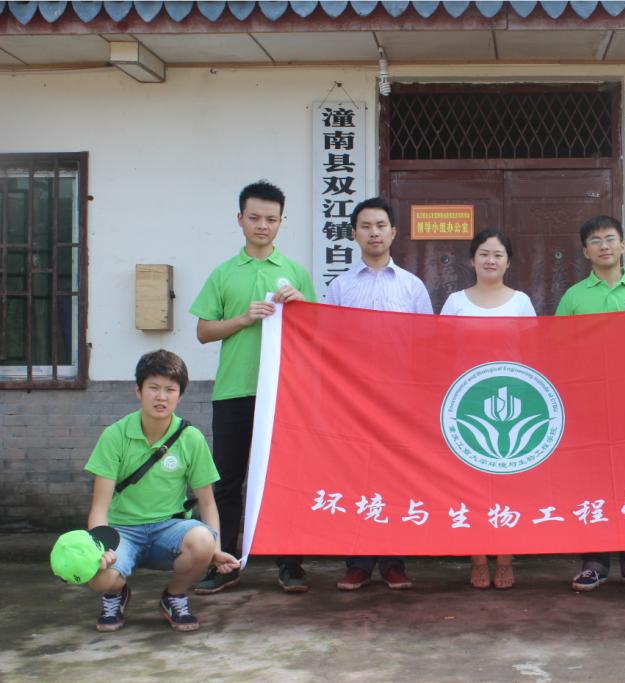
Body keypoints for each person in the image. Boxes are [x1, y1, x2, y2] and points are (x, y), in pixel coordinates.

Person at [190, 180, 315, 594]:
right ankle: (225, 563)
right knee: (227, 481)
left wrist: (301, 306)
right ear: (240, 219)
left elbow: (317, 331)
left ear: (281, 222)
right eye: (255, 217)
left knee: (287, 478)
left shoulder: (295, 273)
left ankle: (290, 564)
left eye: (271, 219)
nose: (263, 225)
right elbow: (203, 331)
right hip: (234, 391)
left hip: (284, 393)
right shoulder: (223, 273)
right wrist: (243, 319)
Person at [82, 350, 239, 632]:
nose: (161, 397)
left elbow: (208, 503)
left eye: (170, 390)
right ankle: (115, 593)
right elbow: (99, 507)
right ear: (138, 391)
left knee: (203, 542)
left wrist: (215, 550)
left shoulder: (191, 438)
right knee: (99, 577)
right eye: (153, 388)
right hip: (123, 530)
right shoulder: (115, 435)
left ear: (180, 395)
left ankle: (174, 596)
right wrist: (101, 548)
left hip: (169, 528)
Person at [326, 196, 433, 591]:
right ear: (354, 234)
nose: (374, 233)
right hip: (353, 398)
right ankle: (357, 563)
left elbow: (427, 343)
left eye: (381, 225)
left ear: (393, 232)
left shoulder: (412, 286)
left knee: (395, 478)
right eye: (366, 226)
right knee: (355, 477)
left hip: (399, 398)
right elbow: (327, 341)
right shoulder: (340, 287)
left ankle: (393, 563)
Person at [554, 214, 625, 592]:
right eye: (596, 241)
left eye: (610, 239)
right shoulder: (574, 296)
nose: (604, 246)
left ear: (622, 245)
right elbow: (557, 347)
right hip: (587, 404)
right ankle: (594, 562)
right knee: (592, 481)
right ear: (586, 252)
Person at [440, 229, 536, 589]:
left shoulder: (521, 302)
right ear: (472, 260)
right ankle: (478, 559)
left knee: (508, 483)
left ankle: (506, 560)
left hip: (513, 400)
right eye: (483, 254)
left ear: (508, 262)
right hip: (465, 402)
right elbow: (441, 349)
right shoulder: (455, 301)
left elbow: (534, 350)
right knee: (469, 484)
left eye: (497, 254)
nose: (490, 260)